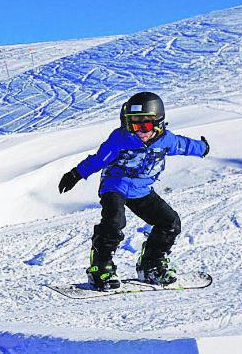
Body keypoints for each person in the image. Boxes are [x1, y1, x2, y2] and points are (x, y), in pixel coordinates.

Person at [58, 92, 209, 290]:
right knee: (114, 222)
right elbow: (99, 159)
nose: (139, 131)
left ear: (158, 123)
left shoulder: (167, 141)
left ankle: (151, 265)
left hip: (142, 190)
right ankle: (100, 268)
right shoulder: (120, 139)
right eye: (133, 125)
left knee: (169, 222)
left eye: (145, 125)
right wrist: (76, 174)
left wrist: (203, 147)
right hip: (116, 185)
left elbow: (185, 145)